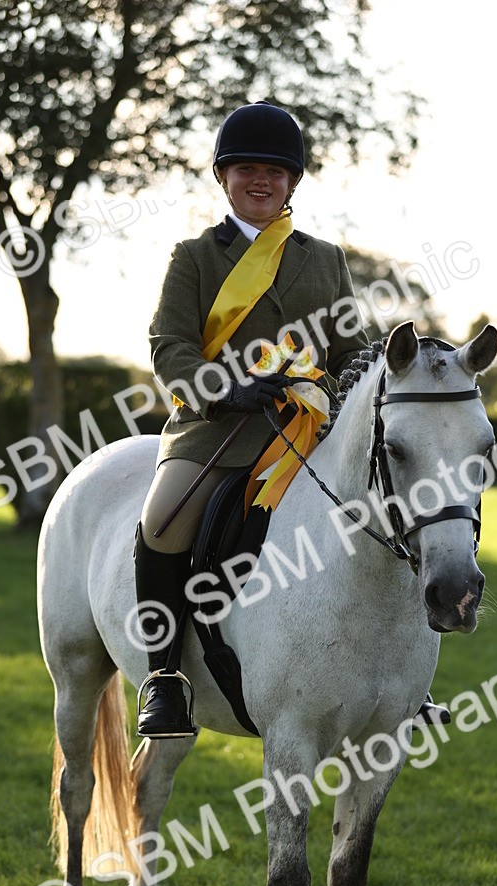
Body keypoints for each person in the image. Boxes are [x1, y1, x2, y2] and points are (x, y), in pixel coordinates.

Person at [135, 101, 370, 738]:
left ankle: (398, 680)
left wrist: (365, 376)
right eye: (245, 169)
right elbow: (170, 345)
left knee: (392, 512)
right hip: (219, 425)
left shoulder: (325, 259)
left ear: (292, 181)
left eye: (274, 170)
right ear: (224, 177)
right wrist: (224, 386)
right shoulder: (195, 257)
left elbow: (352, 350)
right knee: (162, 522)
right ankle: (164, 677)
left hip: (309, 430)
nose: (260, 180)